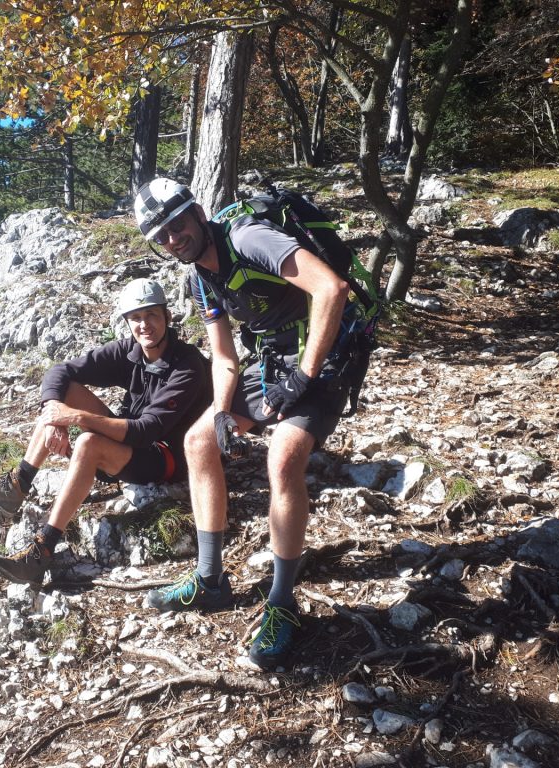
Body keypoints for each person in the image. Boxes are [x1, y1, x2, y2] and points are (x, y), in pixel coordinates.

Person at [134, 178, 352, 670]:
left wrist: (303, 377)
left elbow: (330, 288)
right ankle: (210, 581)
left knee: (283, 457)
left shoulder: (249, 238)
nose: (172, 239)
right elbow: (226, 358)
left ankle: (282, 604)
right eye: (160, 235)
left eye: (177, 224)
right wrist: (220, 412)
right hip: (274, 361)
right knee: (196, 441)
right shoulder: (198, 277)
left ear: (197, 212)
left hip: (326, 353)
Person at [0, 278, 211, 587]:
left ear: (167, 318)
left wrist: (77, 418)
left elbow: (148, 430)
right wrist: (55, 414)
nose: (144, 325)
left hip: (166, 457)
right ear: (127, 322)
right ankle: (18, 483)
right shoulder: (129, 352)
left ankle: (42, 550)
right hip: (129, 442)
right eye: (136, 318)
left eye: (152, 316)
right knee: (65, 393)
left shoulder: (187, 367)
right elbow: (61, 371)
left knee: (89, 443)